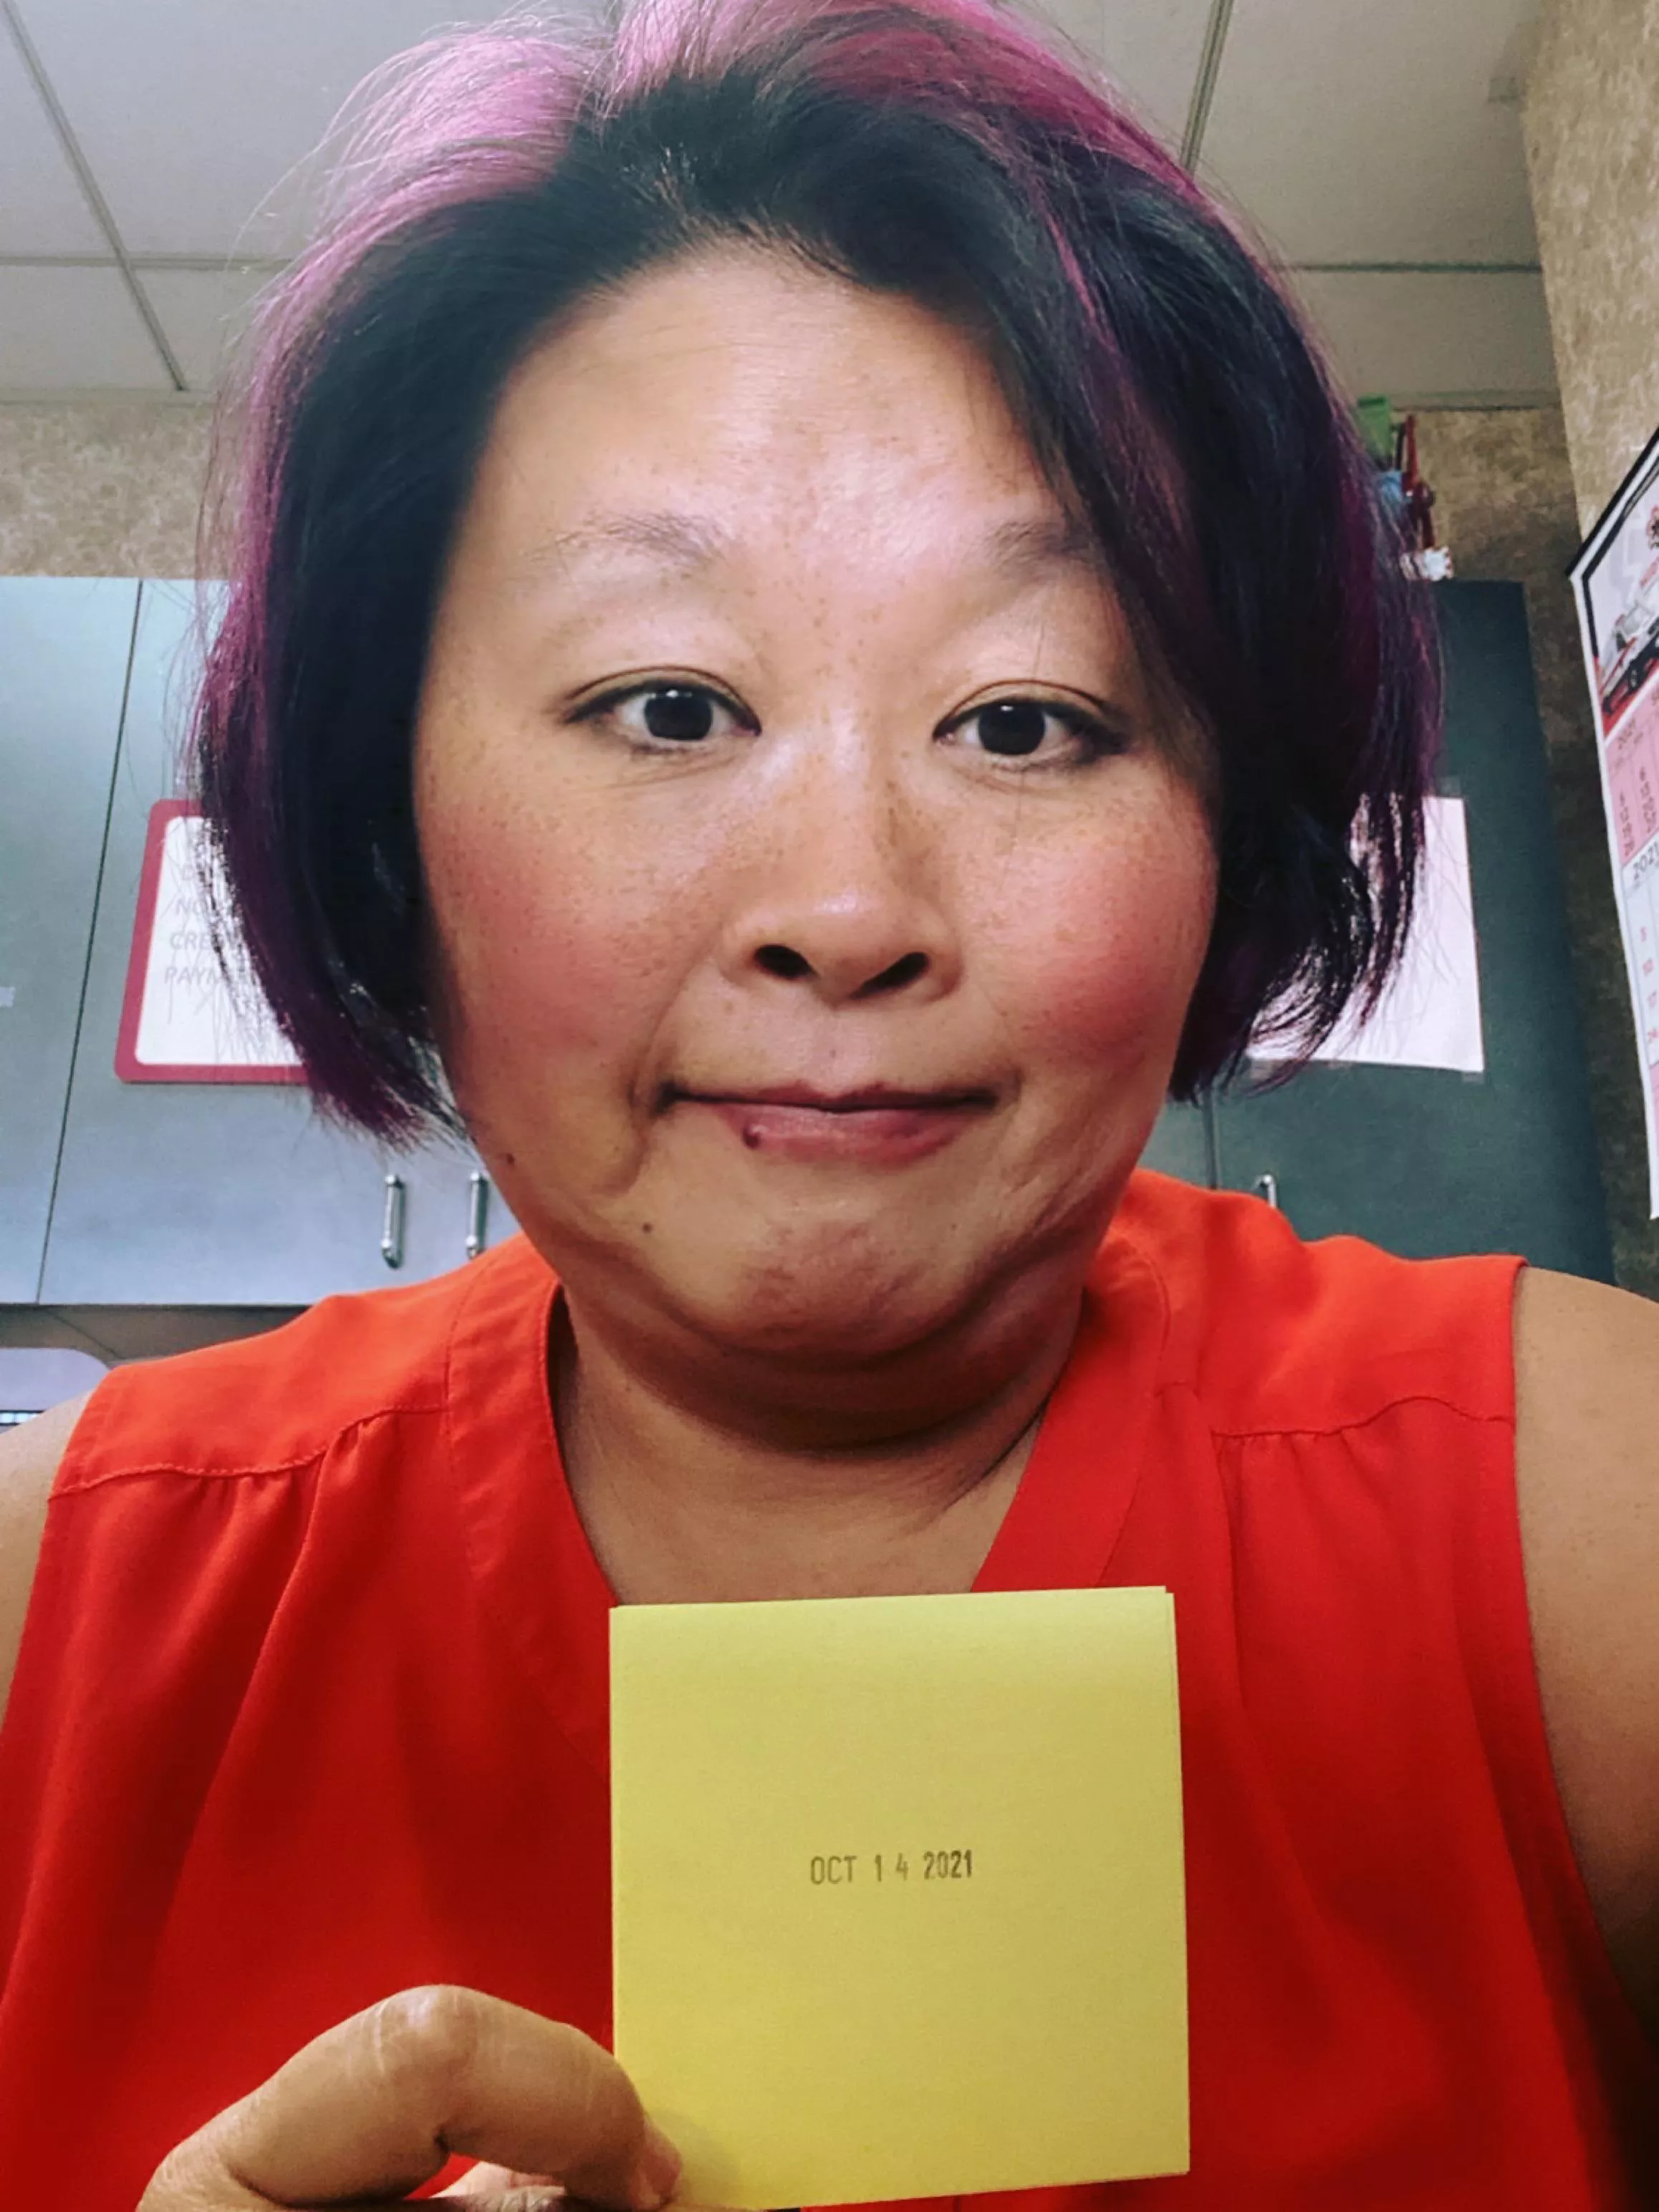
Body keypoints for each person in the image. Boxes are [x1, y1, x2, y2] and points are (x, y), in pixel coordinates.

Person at [0, 0, 1654, 2201]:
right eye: (668, 706)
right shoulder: (51, 1610)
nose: (848, 910)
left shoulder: (1588, 1530)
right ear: (387, 818)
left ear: (1221, 845)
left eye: (1025, 720)